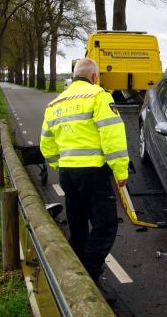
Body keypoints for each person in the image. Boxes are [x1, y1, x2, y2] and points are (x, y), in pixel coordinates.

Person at [40, 58, 129, 286]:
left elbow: (46, 145)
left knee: (78, 225)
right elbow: (113, 137)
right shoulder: (98, 96)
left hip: (68, 174)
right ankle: (90, 273)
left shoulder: (55, 104)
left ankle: (76, 270)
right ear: (94, 77)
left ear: (73, 76)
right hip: (93, 173)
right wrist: (120, 172)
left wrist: (59, 165)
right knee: (105, 225)